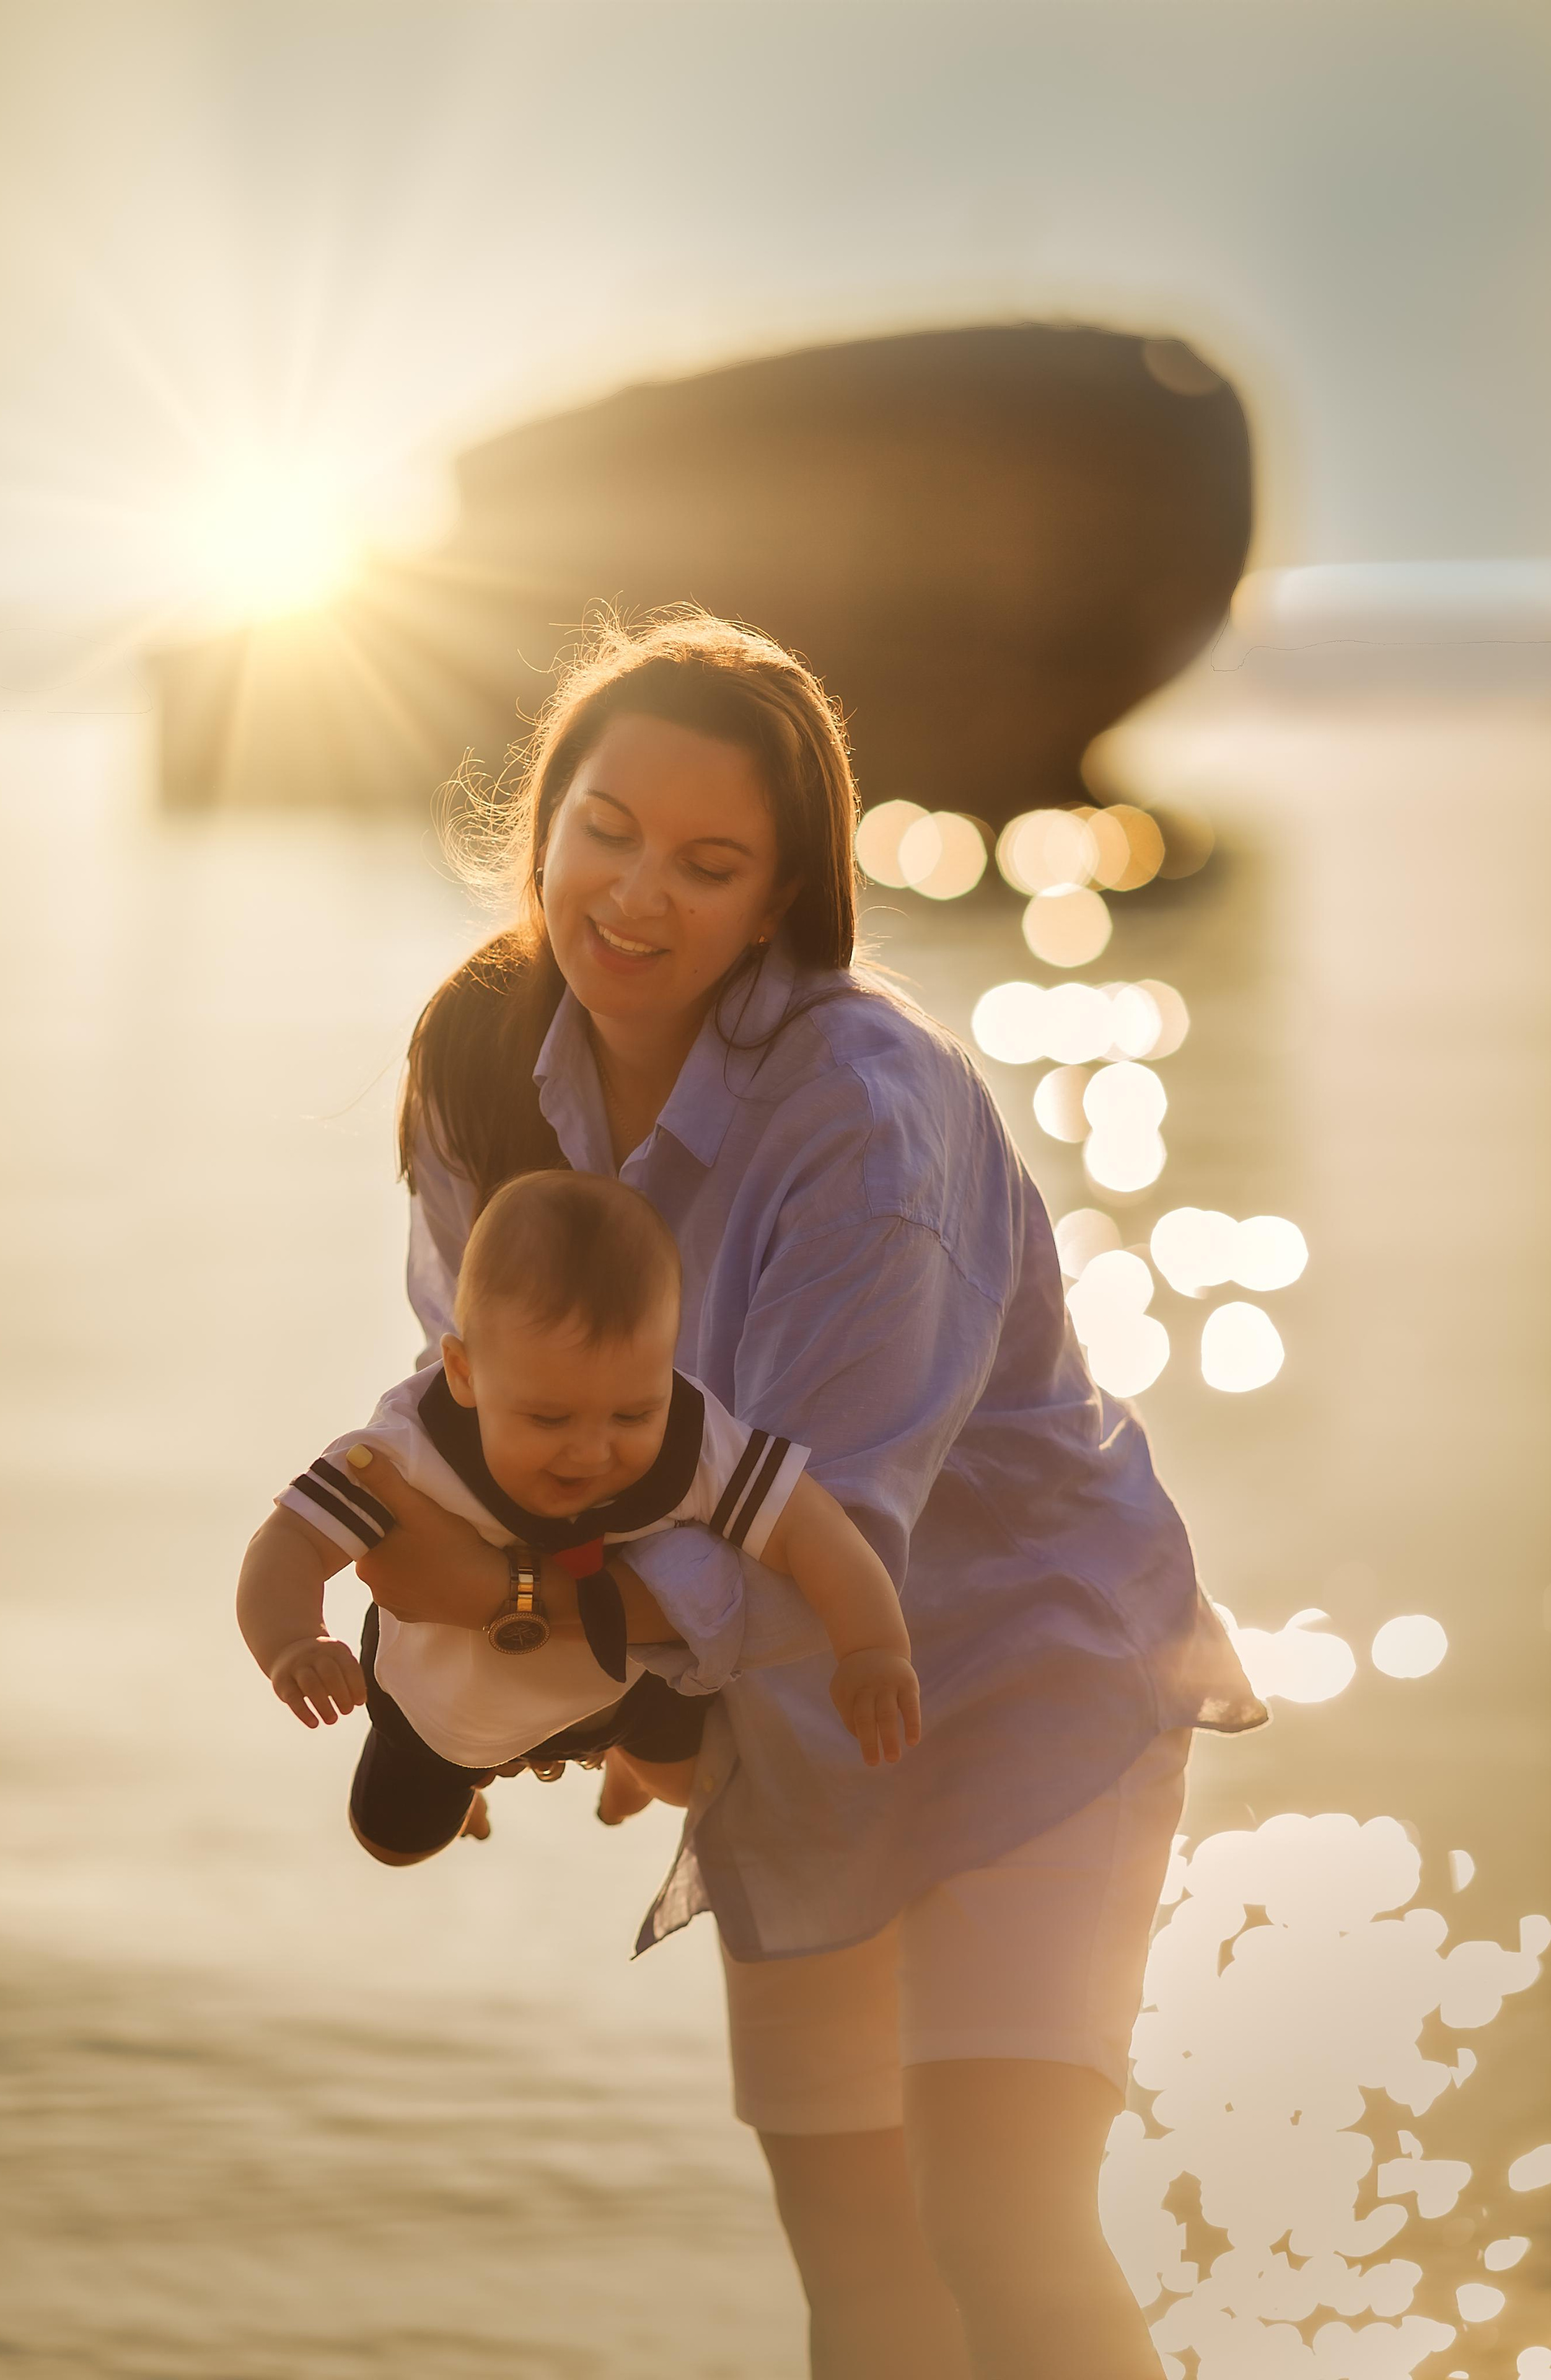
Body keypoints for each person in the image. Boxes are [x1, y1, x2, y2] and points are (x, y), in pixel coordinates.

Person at [347, 609, 1267, 2380]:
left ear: (778, 902)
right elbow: (491, 1412)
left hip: (1013, 1664)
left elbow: (843, 1521)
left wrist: (545, 1624)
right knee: (861, 2267)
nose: (633, 894)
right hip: (771, 1693)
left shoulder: (866, 1113)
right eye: (605, 828)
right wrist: (479, 1660)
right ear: (549, 817)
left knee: (1000, 2221)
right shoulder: (482, 1054)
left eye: (709, 864)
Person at [236, 1168, 921, 1862]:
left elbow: (815, 1529)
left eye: (632, 1412)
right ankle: (468, 1789)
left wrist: (872, 1648)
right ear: (464, 1373)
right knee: (393, 1841)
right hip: (442, 1712)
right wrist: (294, 1641)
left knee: (692, 1786)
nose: (592, 1452)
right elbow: (288, 1541)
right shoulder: (407, 1450)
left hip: (623, 1687)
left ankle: (625, 1761)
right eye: (548, 1417)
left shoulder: (691, 1437)